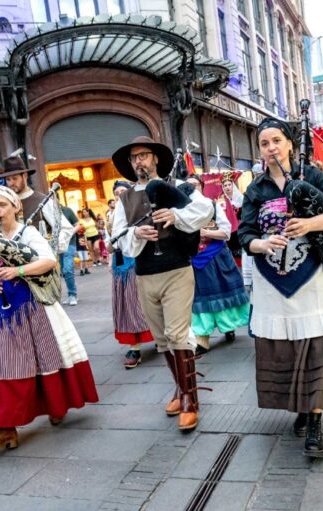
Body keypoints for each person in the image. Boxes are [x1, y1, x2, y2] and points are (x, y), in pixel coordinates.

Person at [238, 117, 323, 458]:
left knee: (314, 343)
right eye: (264, 143)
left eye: (276, 141)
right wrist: (261, 244)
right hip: (271, 278)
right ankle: (302, 404)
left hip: (311, 274)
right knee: (285, 347)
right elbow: (244, 234)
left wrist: (308, 223)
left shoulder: (312, 176)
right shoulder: (255, 189)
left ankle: (315, 421)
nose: (271, 148)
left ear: (289, 143)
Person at [0, 185, 98, 451]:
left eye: (2, 205)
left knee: (44, 360)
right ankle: (6, 428)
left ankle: (55, 406)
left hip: (32, 305)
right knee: (4, 366)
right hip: (2, 311)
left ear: (15, 207)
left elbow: (48, 262)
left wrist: (18, 270)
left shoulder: (28, 233)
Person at [111, 136, 214, 431]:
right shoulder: (126, 198)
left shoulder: (179, 187)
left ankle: (190, 401)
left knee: (178, 334)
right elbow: (115, 238)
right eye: (134, 157)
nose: (139, 161)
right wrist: (136, 234)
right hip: (144, 274)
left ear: (155, 158)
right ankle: (182, 389)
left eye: (144, 155)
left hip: (177, 270)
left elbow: (207, 211)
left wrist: (175, 214)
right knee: (162, 338)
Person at [186, 174, 249, 355]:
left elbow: (226, 232)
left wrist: (204, 231)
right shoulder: (180, 210)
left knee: (222, 292)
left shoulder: (213, 206)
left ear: (202, 187)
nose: (192, 189)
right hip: (193, 261)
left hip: (216, 257)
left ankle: (228, 326)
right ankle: (202, 339)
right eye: (188, 186)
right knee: (198, 300)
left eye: (195, 185)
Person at [108, 180, 154, 369]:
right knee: (125, 308)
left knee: (141, 305)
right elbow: (110, 244)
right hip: (120, 266)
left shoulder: (140, 212)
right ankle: (134, 346)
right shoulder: (112, 215)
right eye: (116, 192)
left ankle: (155, 337)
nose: (119, 195)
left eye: (123, 191)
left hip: (137, 263)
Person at [0, 153, 74, 255]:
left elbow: (65, 228)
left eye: (15, 178)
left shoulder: (43, 200)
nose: (11, 183)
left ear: (24, 176)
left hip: (42, 263)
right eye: (8, 179)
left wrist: (50, 249)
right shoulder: (6, 204)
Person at [220, 171, 244, 265]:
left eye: (229, 184)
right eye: (225, 185)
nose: (227, 187)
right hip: (228, 230)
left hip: (240, 229)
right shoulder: (221, 199)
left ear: (233, 185)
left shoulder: (241, 198)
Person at [59, 203, 79, 305]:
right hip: (57, 246)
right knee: (63, 271)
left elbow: (77, 225)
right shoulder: (48, 212)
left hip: (69, 243)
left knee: (67, 268)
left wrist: (69, 233)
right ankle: (71, 293)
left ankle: (72, 295)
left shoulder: (67, 210)